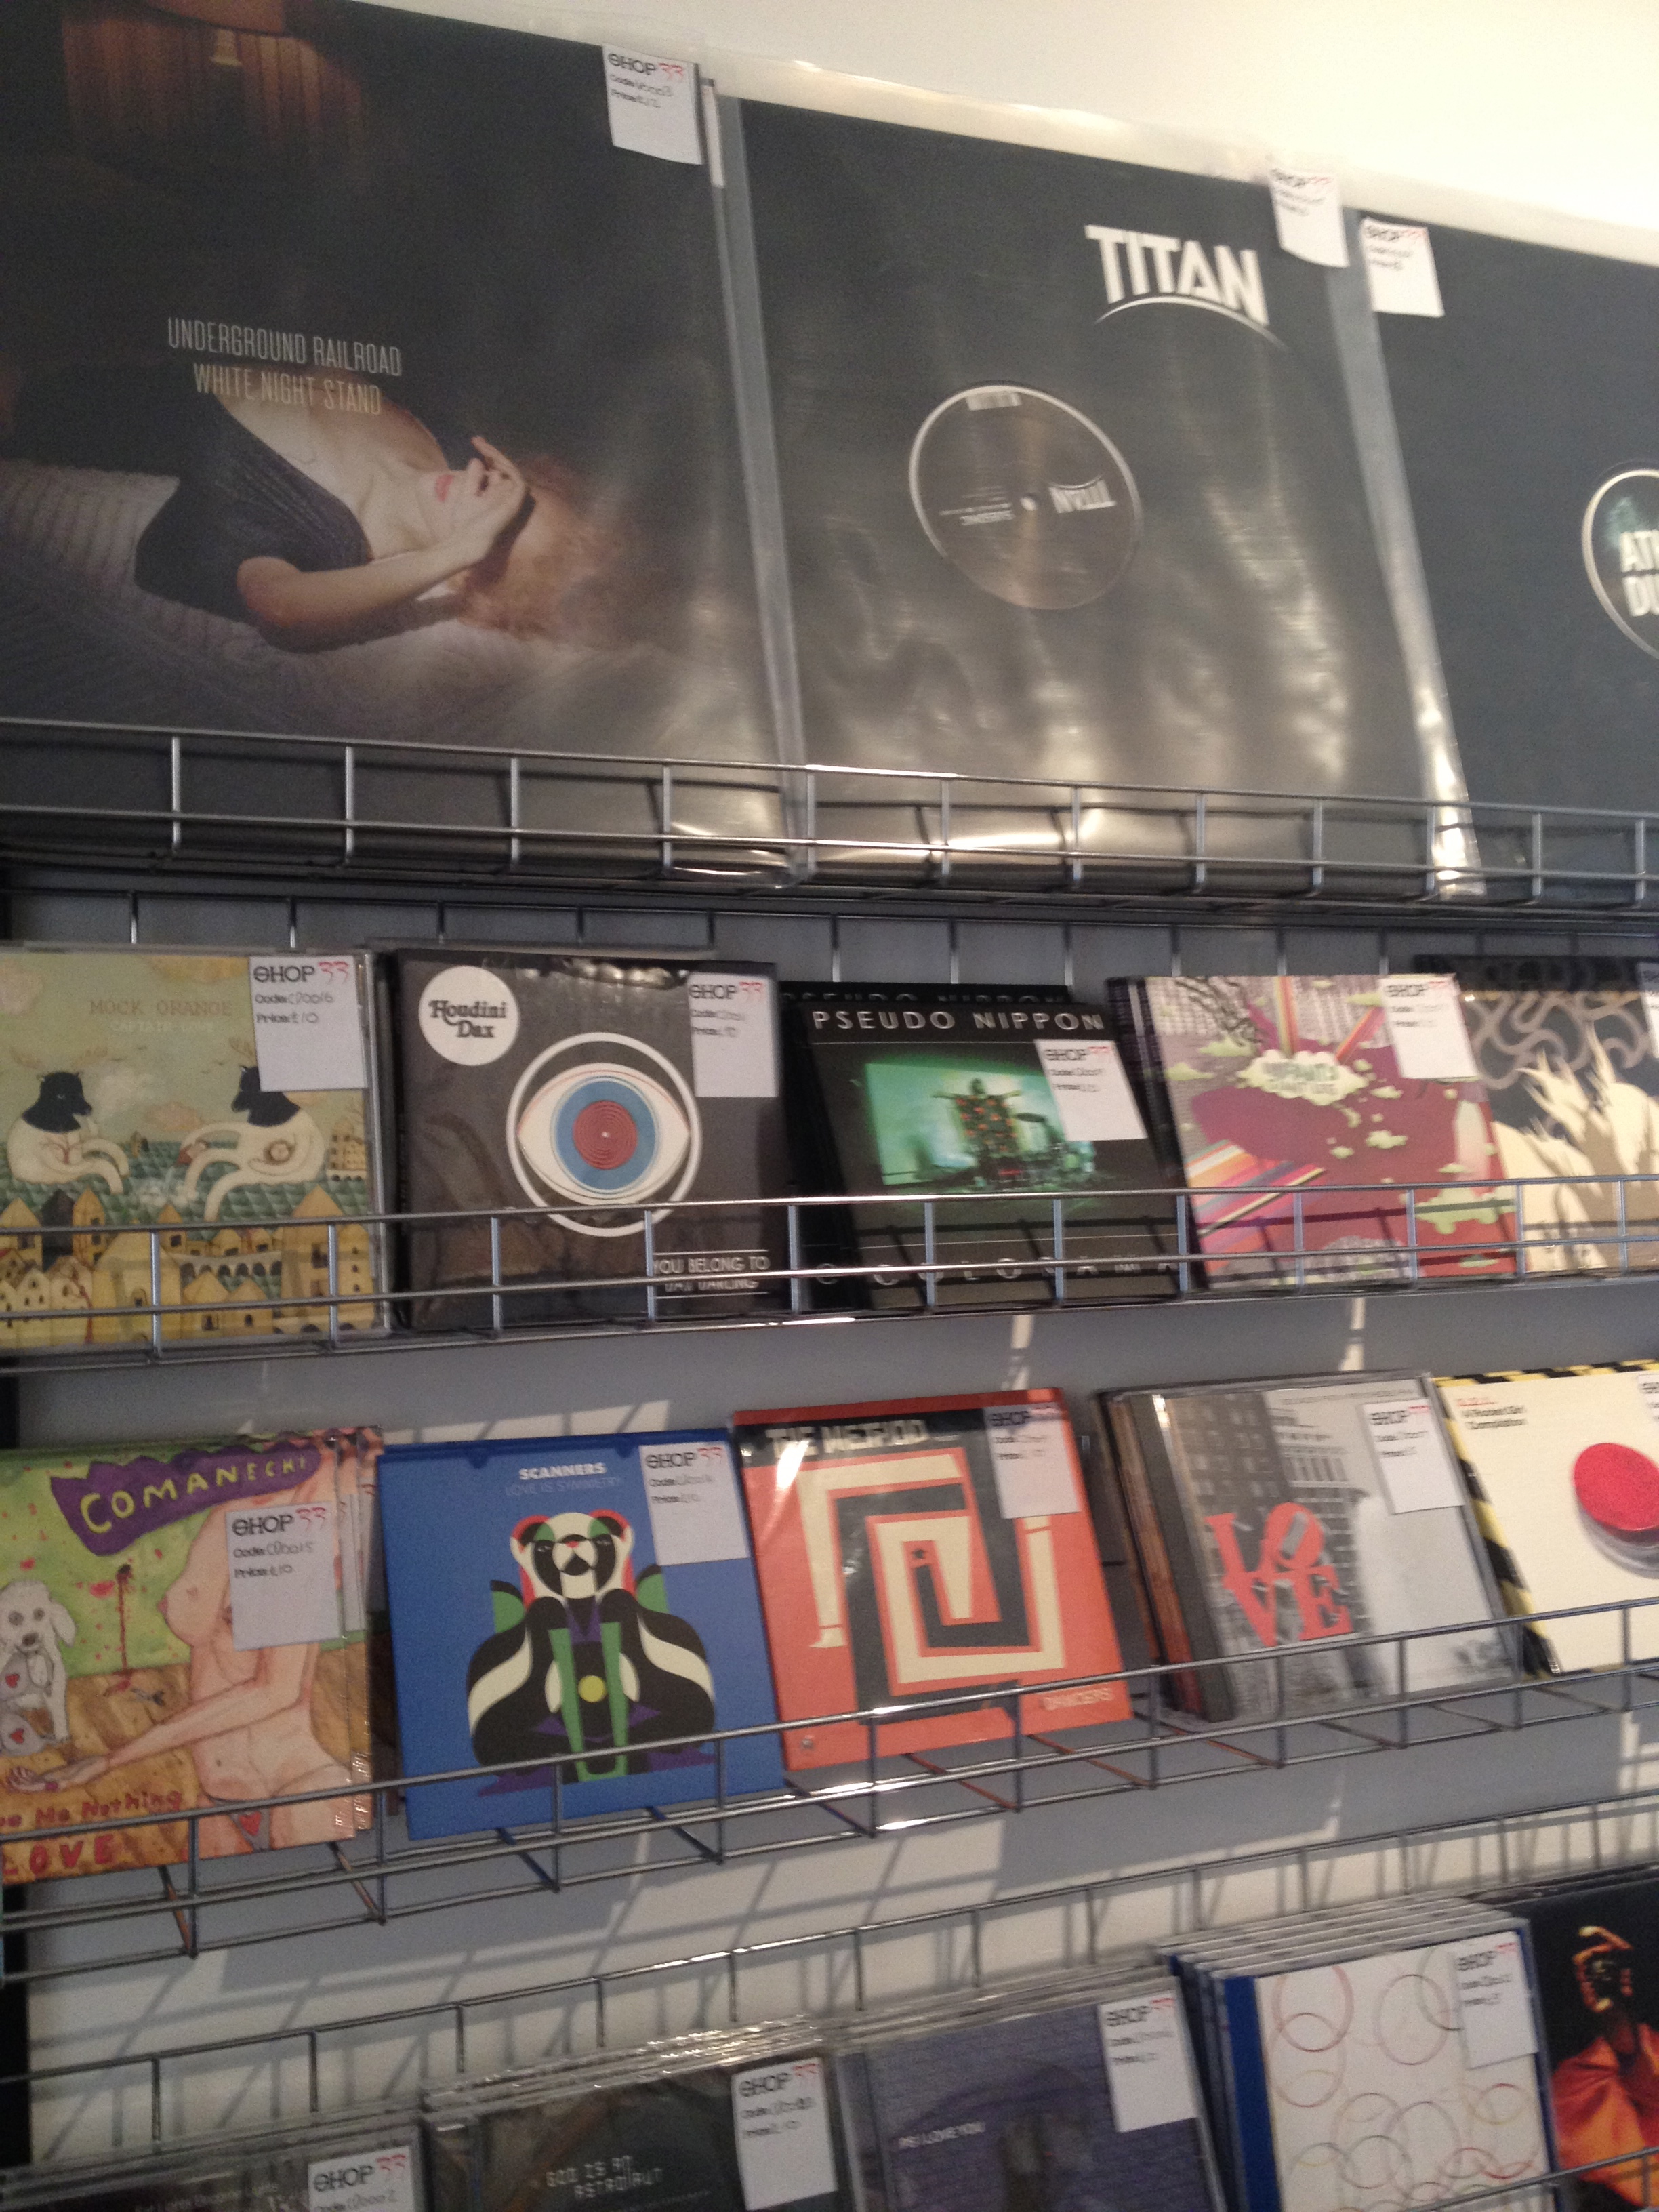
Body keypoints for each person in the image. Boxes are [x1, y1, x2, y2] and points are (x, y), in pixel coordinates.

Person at [2, 362, 622, 650]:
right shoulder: (454, 445)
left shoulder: (327, 537)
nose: (487, 491)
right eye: (520, 496)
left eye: (501, 532)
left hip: (46, 393)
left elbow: (280, 607)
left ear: (469, 574)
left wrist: (456, 549)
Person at [7, 1443, 364, 1856]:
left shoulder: (290, 1544)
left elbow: (273, 1692)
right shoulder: (233, 1520)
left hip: (298, 1786)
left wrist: (108, 1761)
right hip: (218, 1799)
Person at [1552, 1924, 1659, 2208]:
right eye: (1592, 1967)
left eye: (1610, 1963)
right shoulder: (1569, 2087)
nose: (1603, 1973)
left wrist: (1619, 2012)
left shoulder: (1648, 2047)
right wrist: (1613, 2014)